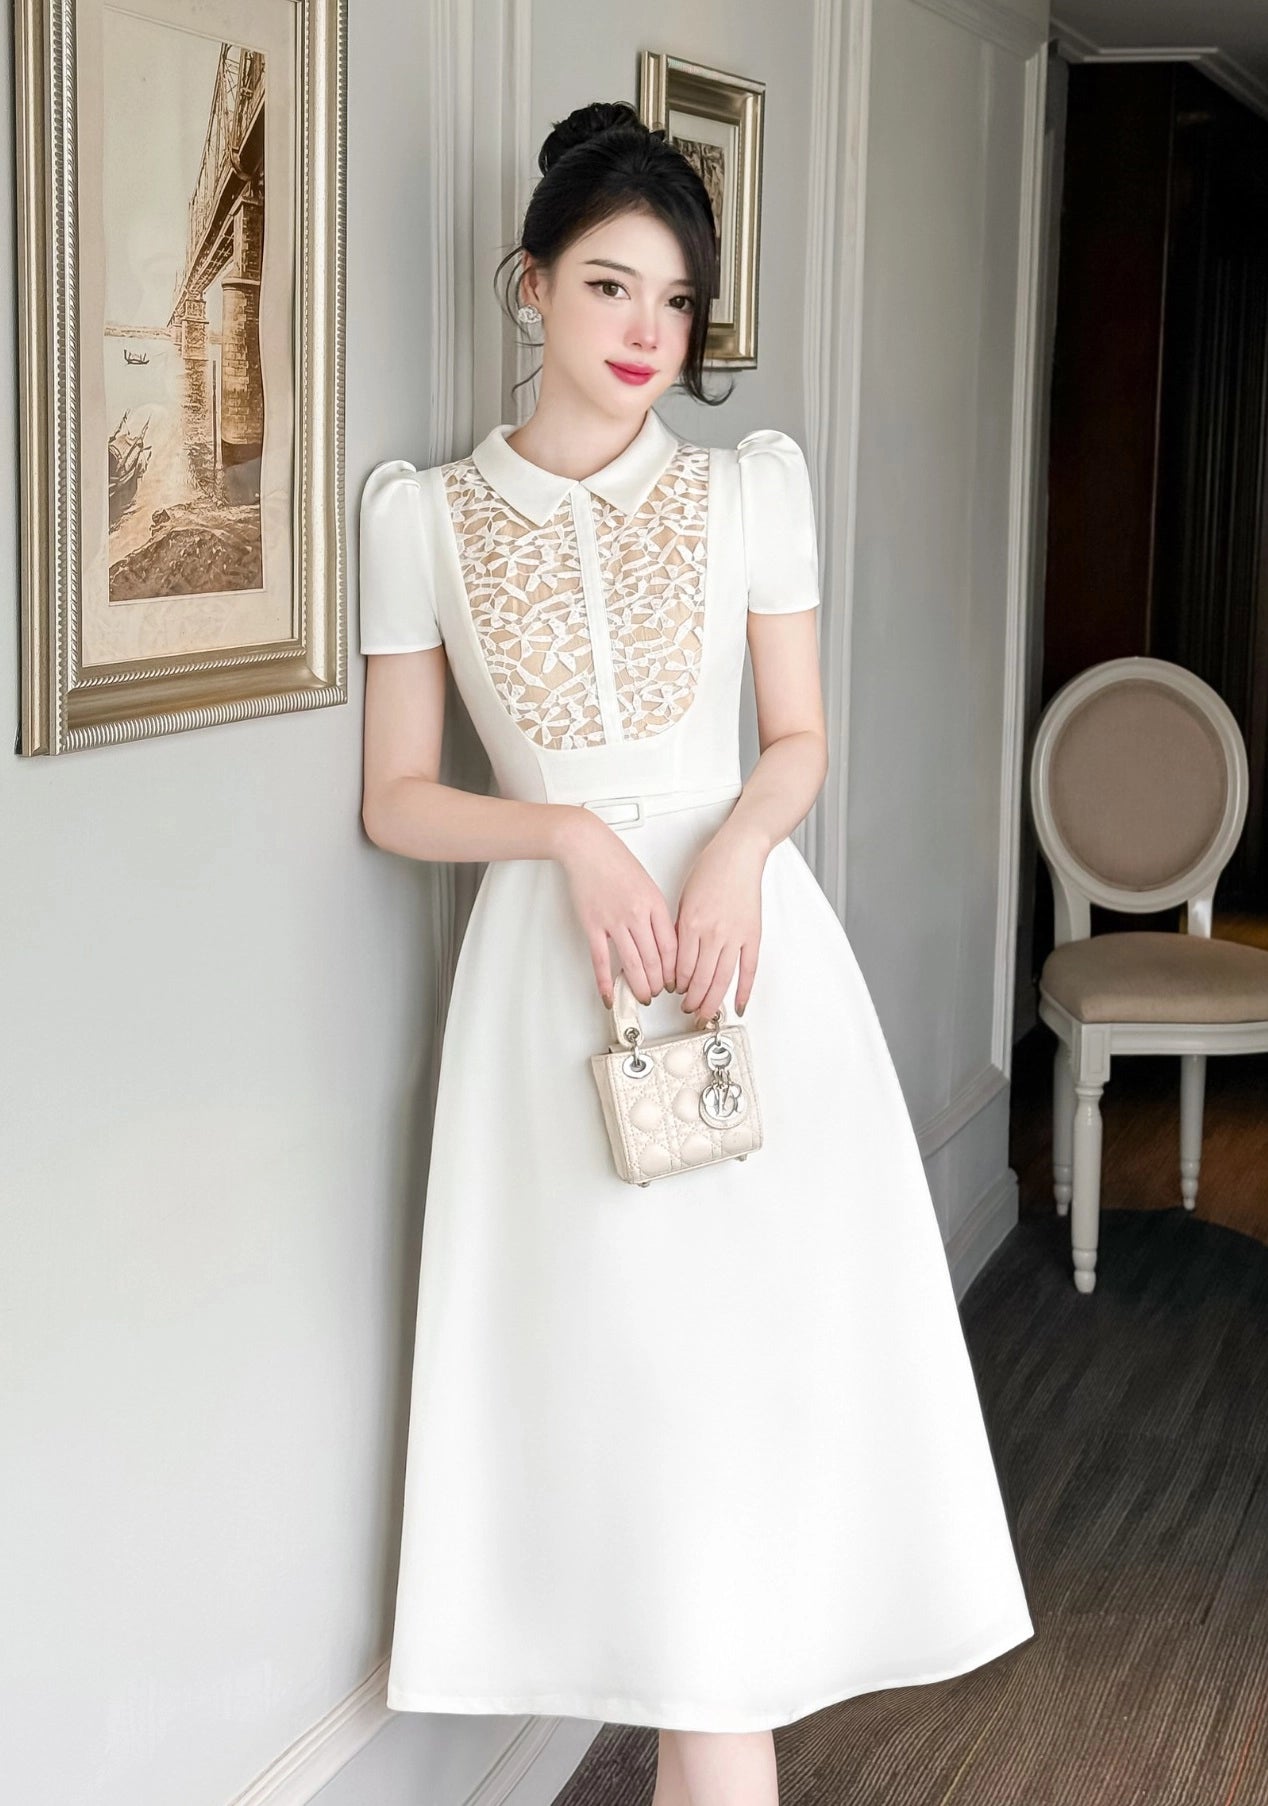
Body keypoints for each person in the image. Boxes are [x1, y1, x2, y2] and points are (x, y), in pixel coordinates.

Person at [358, 100, 1034, 1806]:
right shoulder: (424, 519)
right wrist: (569, 836)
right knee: (634, 1423)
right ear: (529, 285)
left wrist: (734, 847)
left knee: (744, 1414)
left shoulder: (749, 492)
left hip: (748, 978)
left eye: (675, 299)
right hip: (554, 1007)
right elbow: (395, 799)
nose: (646, 330)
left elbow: (795, 741)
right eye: (609, 285)